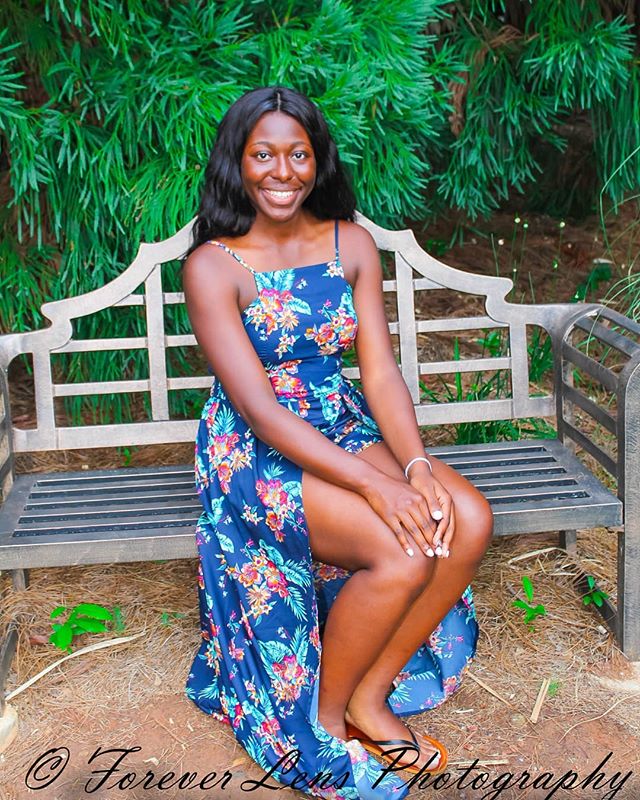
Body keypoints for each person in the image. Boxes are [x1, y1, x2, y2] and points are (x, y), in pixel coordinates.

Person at [183, 85, 493, 799]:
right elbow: (259, 410)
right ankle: (322, 727)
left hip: (339, 420)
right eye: (263, 155)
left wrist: (412, 467)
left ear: (319, 160)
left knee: (466, 517)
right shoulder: (212, 266)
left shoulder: (349, 243)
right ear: (238, 160)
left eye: (299, 154)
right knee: (398, 547)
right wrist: (375, 485)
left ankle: (366, 698)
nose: (282, 172)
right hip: (255, 451)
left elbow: (379, 372)